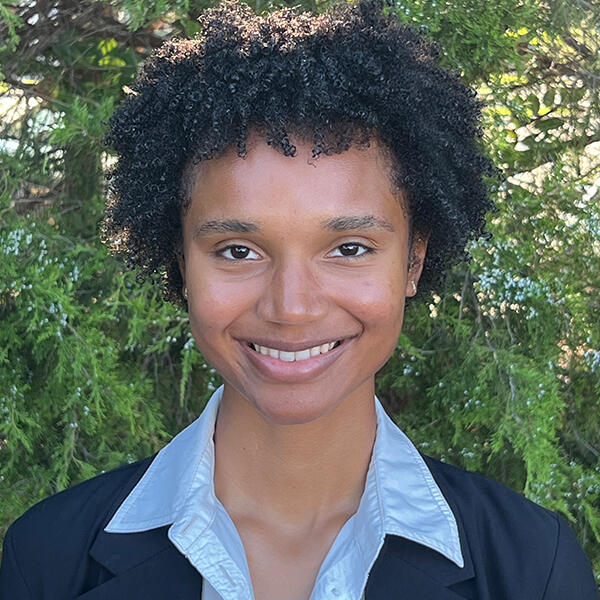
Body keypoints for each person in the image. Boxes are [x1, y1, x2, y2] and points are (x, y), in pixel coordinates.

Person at [0, 0, 597, 598]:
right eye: (238, 250)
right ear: (181, 264)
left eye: (349, 248)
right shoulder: (47, 561)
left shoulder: (530, 570)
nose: (292, 307)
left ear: (413, 260)